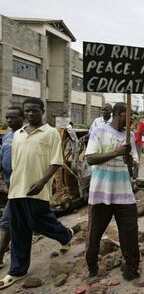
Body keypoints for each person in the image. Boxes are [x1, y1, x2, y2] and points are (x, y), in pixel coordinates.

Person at [0, 98, 73, 290]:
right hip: (17, 189)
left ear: (42, 110)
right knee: (18, 229)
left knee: (37, 222)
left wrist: (43, 182)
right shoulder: (18, 135)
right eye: (27, 111)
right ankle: (17, 270)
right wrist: (11, 183)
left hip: (37, 188)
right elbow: (15, 163)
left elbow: (56, 161)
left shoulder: (50, 133)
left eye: (34, 111)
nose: (30, 114)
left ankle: (65, 234)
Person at [84, 102, 144, 287]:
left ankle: (131, 270)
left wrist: (129, 161)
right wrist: (116, 152)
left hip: (123, 193)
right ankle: (92, 269)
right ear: (118, 114)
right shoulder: (99, 131)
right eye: (129, 115)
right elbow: (90, 158)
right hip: (101, 192)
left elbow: (133, 166)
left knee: (130, 231)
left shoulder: (130, 136)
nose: (132, 119)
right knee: (95, 232)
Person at [0, 107, 24, 269]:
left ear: (22, 118)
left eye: (13, 117)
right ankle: (65, 236)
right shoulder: (7, 136)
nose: (9, 120)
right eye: (7, 118)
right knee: (36, 219)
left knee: (6, 222)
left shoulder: (25, 136)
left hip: (21, 186)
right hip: (10, 185)